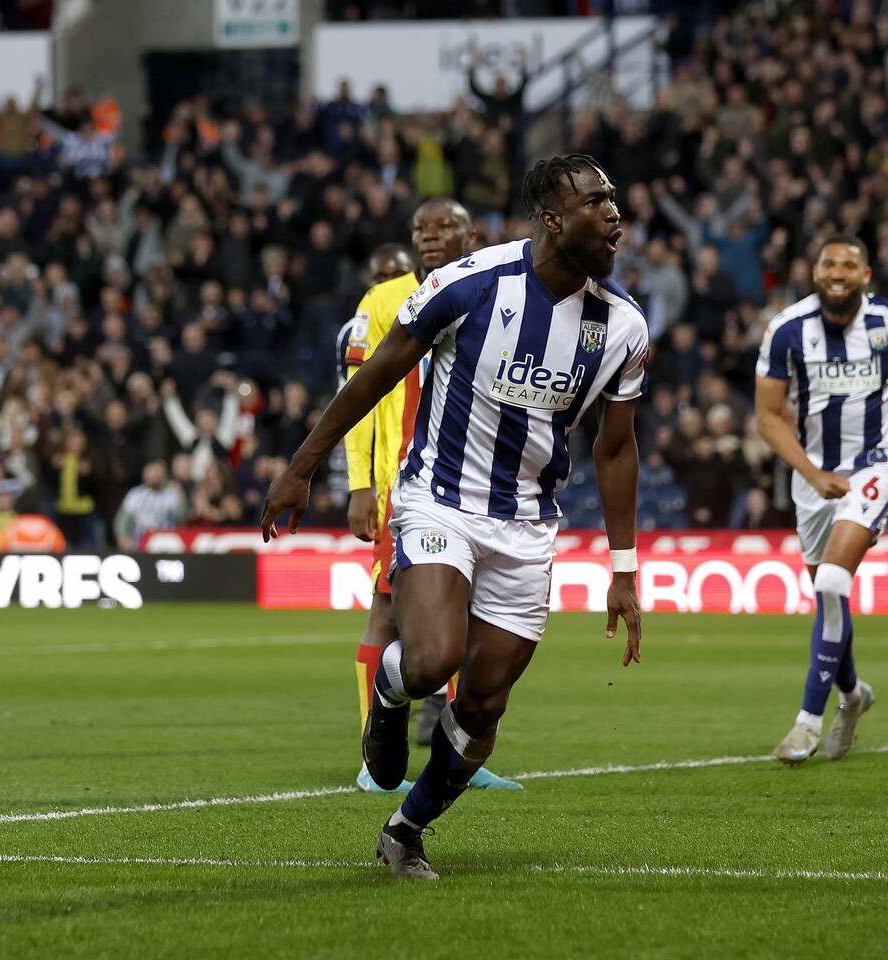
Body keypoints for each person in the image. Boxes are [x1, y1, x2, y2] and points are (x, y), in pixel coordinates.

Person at [262, 154, 647, 879]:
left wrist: (623, 570)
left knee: (482, 707)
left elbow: (616, 449)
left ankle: (405, 829)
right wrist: (303, 466)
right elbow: (377, 372)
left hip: (528, 527)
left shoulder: (620, 325)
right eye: (597, 202)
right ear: (552, 218)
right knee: (434, 658)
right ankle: (390, 689)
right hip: (440, 500)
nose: (614, 214)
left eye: (615, 200)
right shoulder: (471, 284)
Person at [338, 213, 521, 796]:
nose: (430, 235)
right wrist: (360, 482)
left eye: (446, 226)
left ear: (472, 239)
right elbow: (358, 393)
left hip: (475, 483)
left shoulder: (488, 290)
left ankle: (456, 751)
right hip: (404, 483)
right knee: (389, 614)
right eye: (421, 228)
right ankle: (374, 757)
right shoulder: (386, 298)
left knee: (470, 621)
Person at [756, 235, 888, 765]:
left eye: (849, 264)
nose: (837, 271)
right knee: (827, 596)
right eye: (828, 263)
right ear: (814, 271)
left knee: (833, 580)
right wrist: (811, 472)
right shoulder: (786, 329)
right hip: (813, 475)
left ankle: (806, 723)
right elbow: (768, 416)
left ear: (866, 275)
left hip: (877, 464)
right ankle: (853, 696)